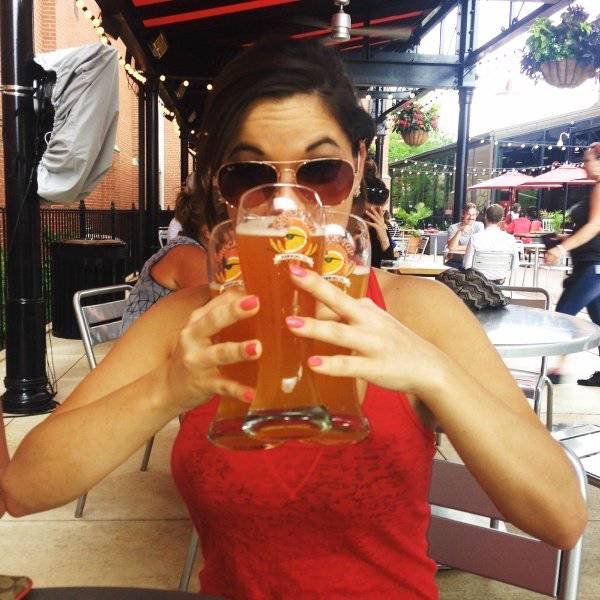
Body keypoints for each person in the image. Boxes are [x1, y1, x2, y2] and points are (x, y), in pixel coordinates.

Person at [1, 37, 586, 600]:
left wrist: (434, 372)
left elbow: (561, 518)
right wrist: (168, 388)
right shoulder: (189, 322)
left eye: (320, 172)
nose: (286, 203)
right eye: (250, 175)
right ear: (221, 188)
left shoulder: (419, 312)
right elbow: (25, 488)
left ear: (358, 165)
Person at [120, 174, 215, 333]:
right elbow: (216, 310)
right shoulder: (188, 254)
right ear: (208, 231)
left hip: (162, 338)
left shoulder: (191, 248)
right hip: (147, 345)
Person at [545, 142, 600, 387]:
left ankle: (557, 369)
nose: (583, 165)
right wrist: (565, 239)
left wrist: (561, 248)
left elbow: (595, 225)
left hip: (593, 267)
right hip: (591, 267)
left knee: (563, 315)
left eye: (587, 160)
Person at [463, 204, 520, 283]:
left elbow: (467, 265)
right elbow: (515, 265)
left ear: (485, 217)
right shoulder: (510, 239)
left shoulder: (475, 238)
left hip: (478, 281)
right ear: (502, 218)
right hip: (499, 279)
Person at [361, 161, 395, 267]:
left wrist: (384, 239)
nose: (371, 219)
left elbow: (389, 268)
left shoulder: (379, 229)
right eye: (366, 215)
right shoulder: (342, 229)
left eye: (376, 213)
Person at [445, 203, 483, 268]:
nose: (471, 217)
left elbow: (479, 247)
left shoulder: (479, 226)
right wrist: (460, 231)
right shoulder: (453, 228)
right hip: (456, 262)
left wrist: (457, 247)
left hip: (473, 262)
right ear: (463, 214)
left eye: (473, 215)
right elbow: (451, 247)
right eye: (468, 214)